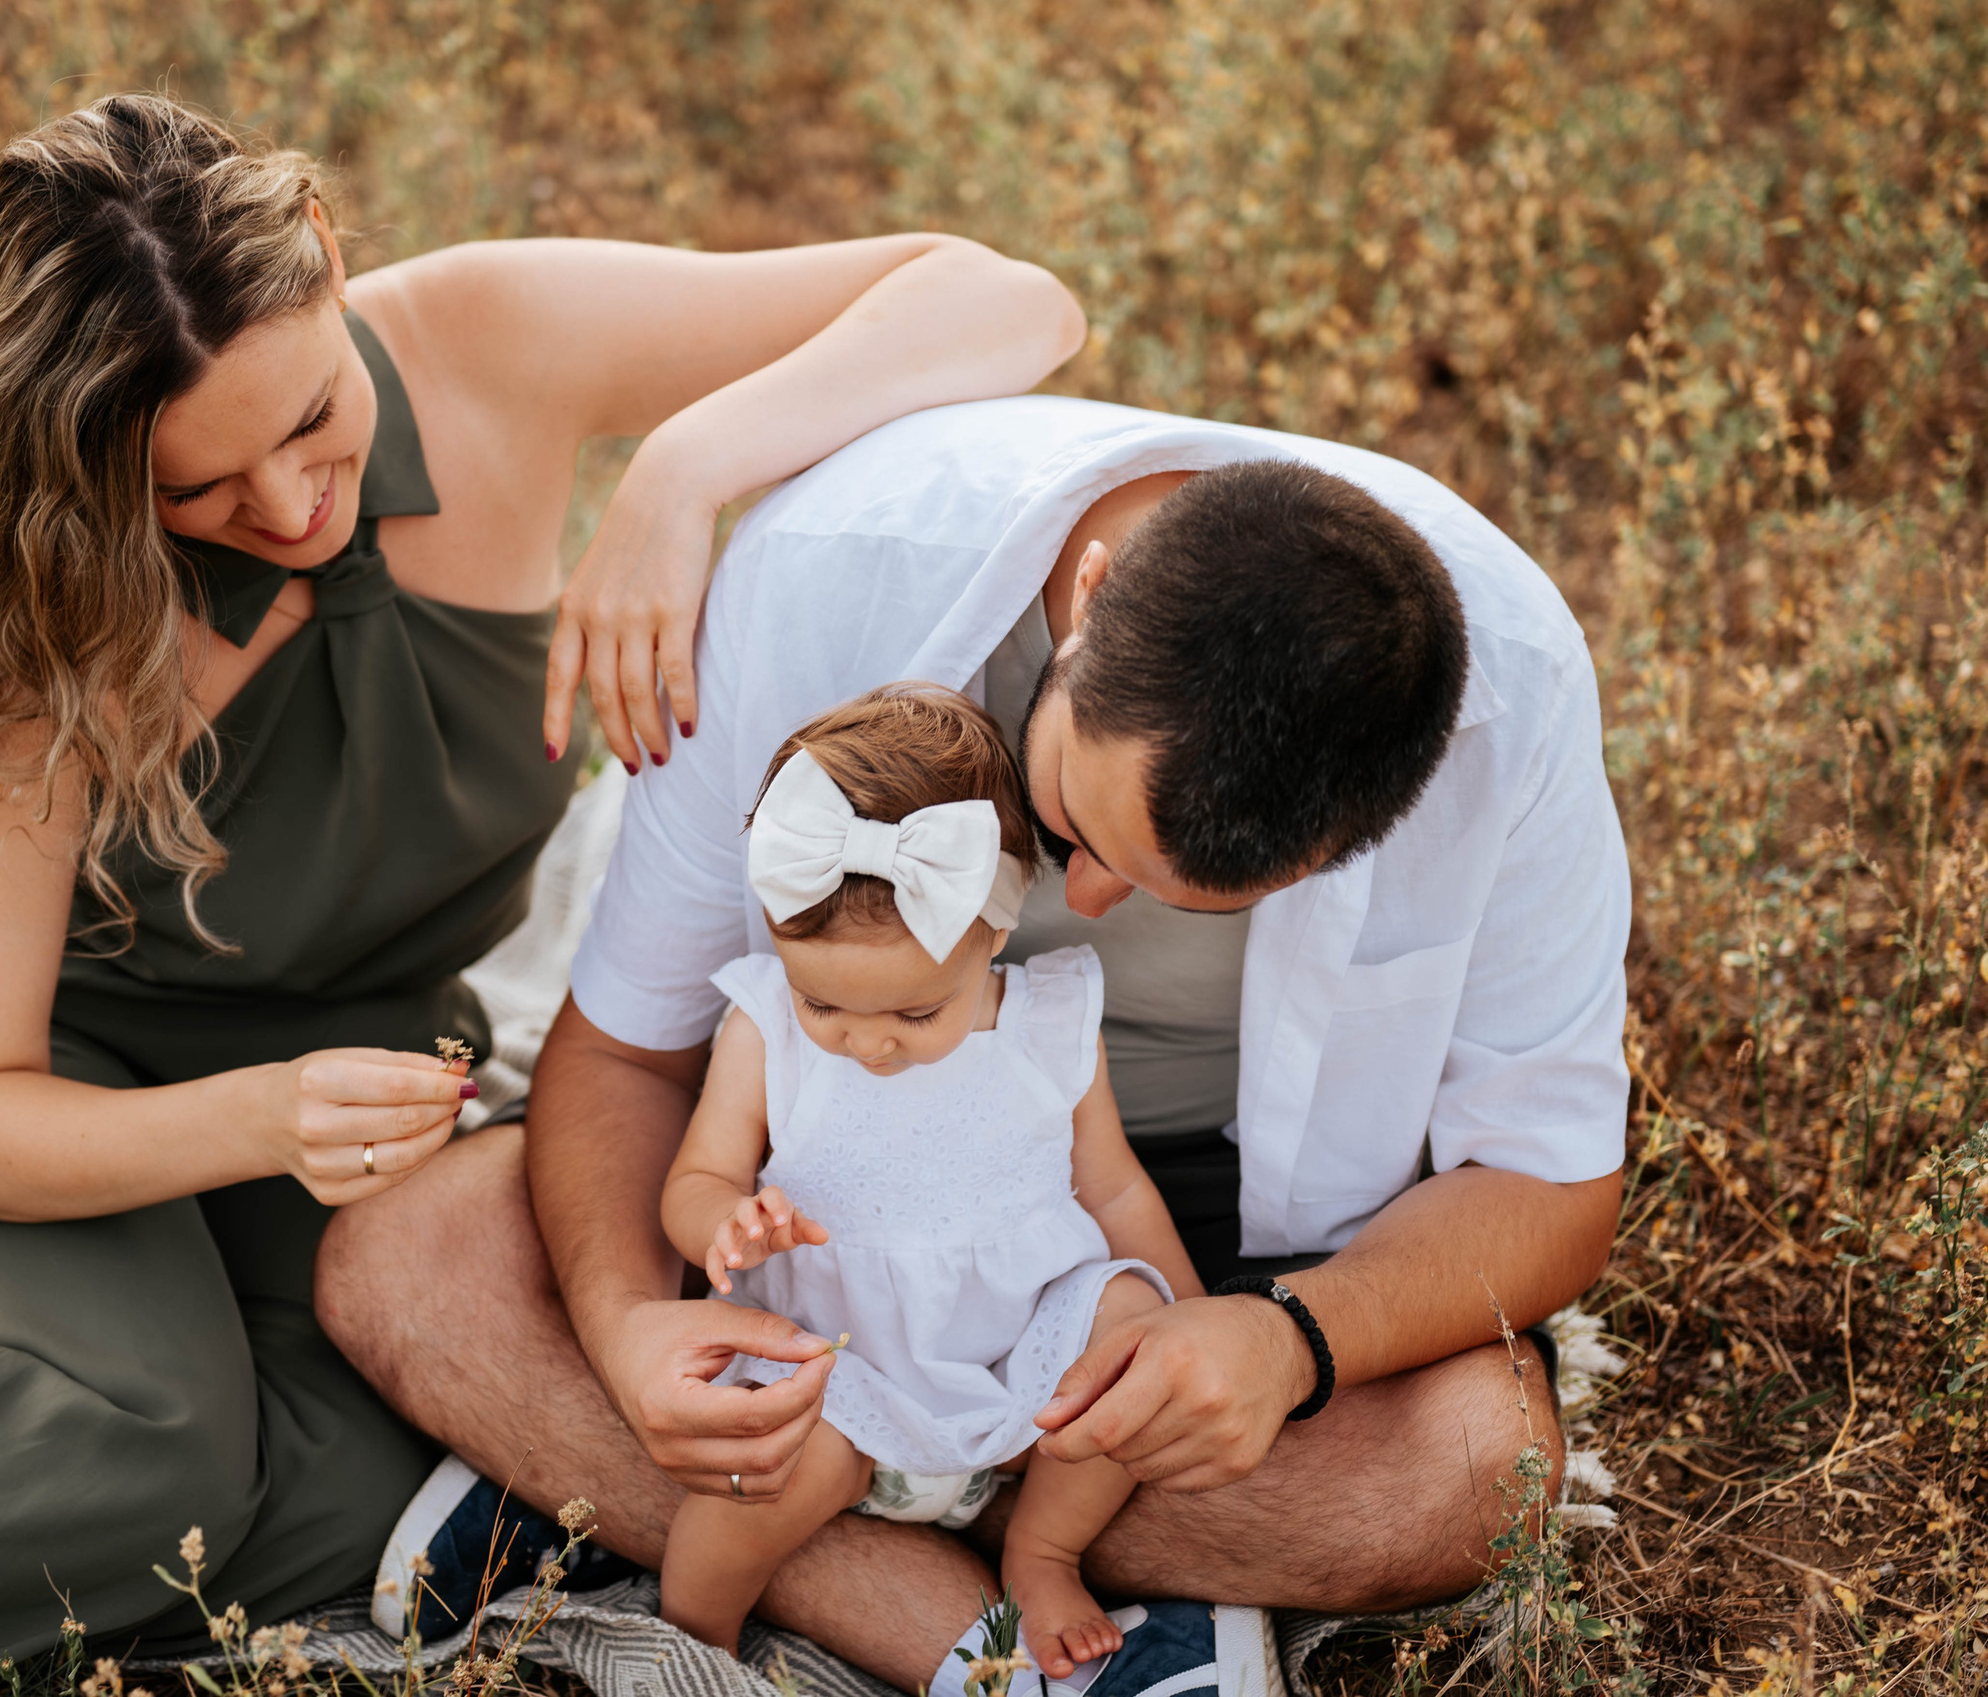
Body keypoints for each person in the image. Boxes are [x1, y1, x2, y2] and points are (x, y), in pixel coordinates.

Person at [0, 93, 1087, 1693]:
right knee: (147, 1453)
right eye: (204, 490)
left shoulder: (483, 338)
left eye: (314, 423)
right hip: (74, 1093)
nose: (296, 508)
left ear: (322, 251)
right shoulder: (48, 600)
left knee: (441, 1460)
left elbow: (1009, 298)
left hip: (372, 1087)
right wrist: (261, 1117)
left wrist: (681, 471)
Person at [324, 414, 1630, 1694]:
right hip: (812, 1235)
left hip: (1172, 1237)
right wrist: (624, 1337)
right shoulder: (828, 572)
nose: (1099, 907)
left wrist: (1285, 1340)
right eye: (1075, 824)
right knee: (407, 1260)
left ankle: (639, 1497)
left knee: (1477, 1462)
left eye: (1194, 898)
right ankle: (1019, 1644)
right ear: (1093, 594)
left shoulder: (1509, 704)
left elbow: (1546, 1183)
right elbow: (628, 1054)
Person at [654, 685, 1195, 1673]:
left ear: (992, 933)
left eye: (913, 1015)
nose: (866, 1043)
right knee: (749, 1484)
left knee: (1125, 1334)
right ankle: (694, 1638)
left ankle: (1041, 1550)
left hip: (1019, 1359)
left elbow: (1112, 1191)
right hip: (835, 1370)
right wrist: (723, 1224)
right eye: (826, 1004)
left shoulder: (1049, 1022)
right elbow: (697, 1177)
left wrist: (1184, 1315)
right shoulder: (764, 1023)